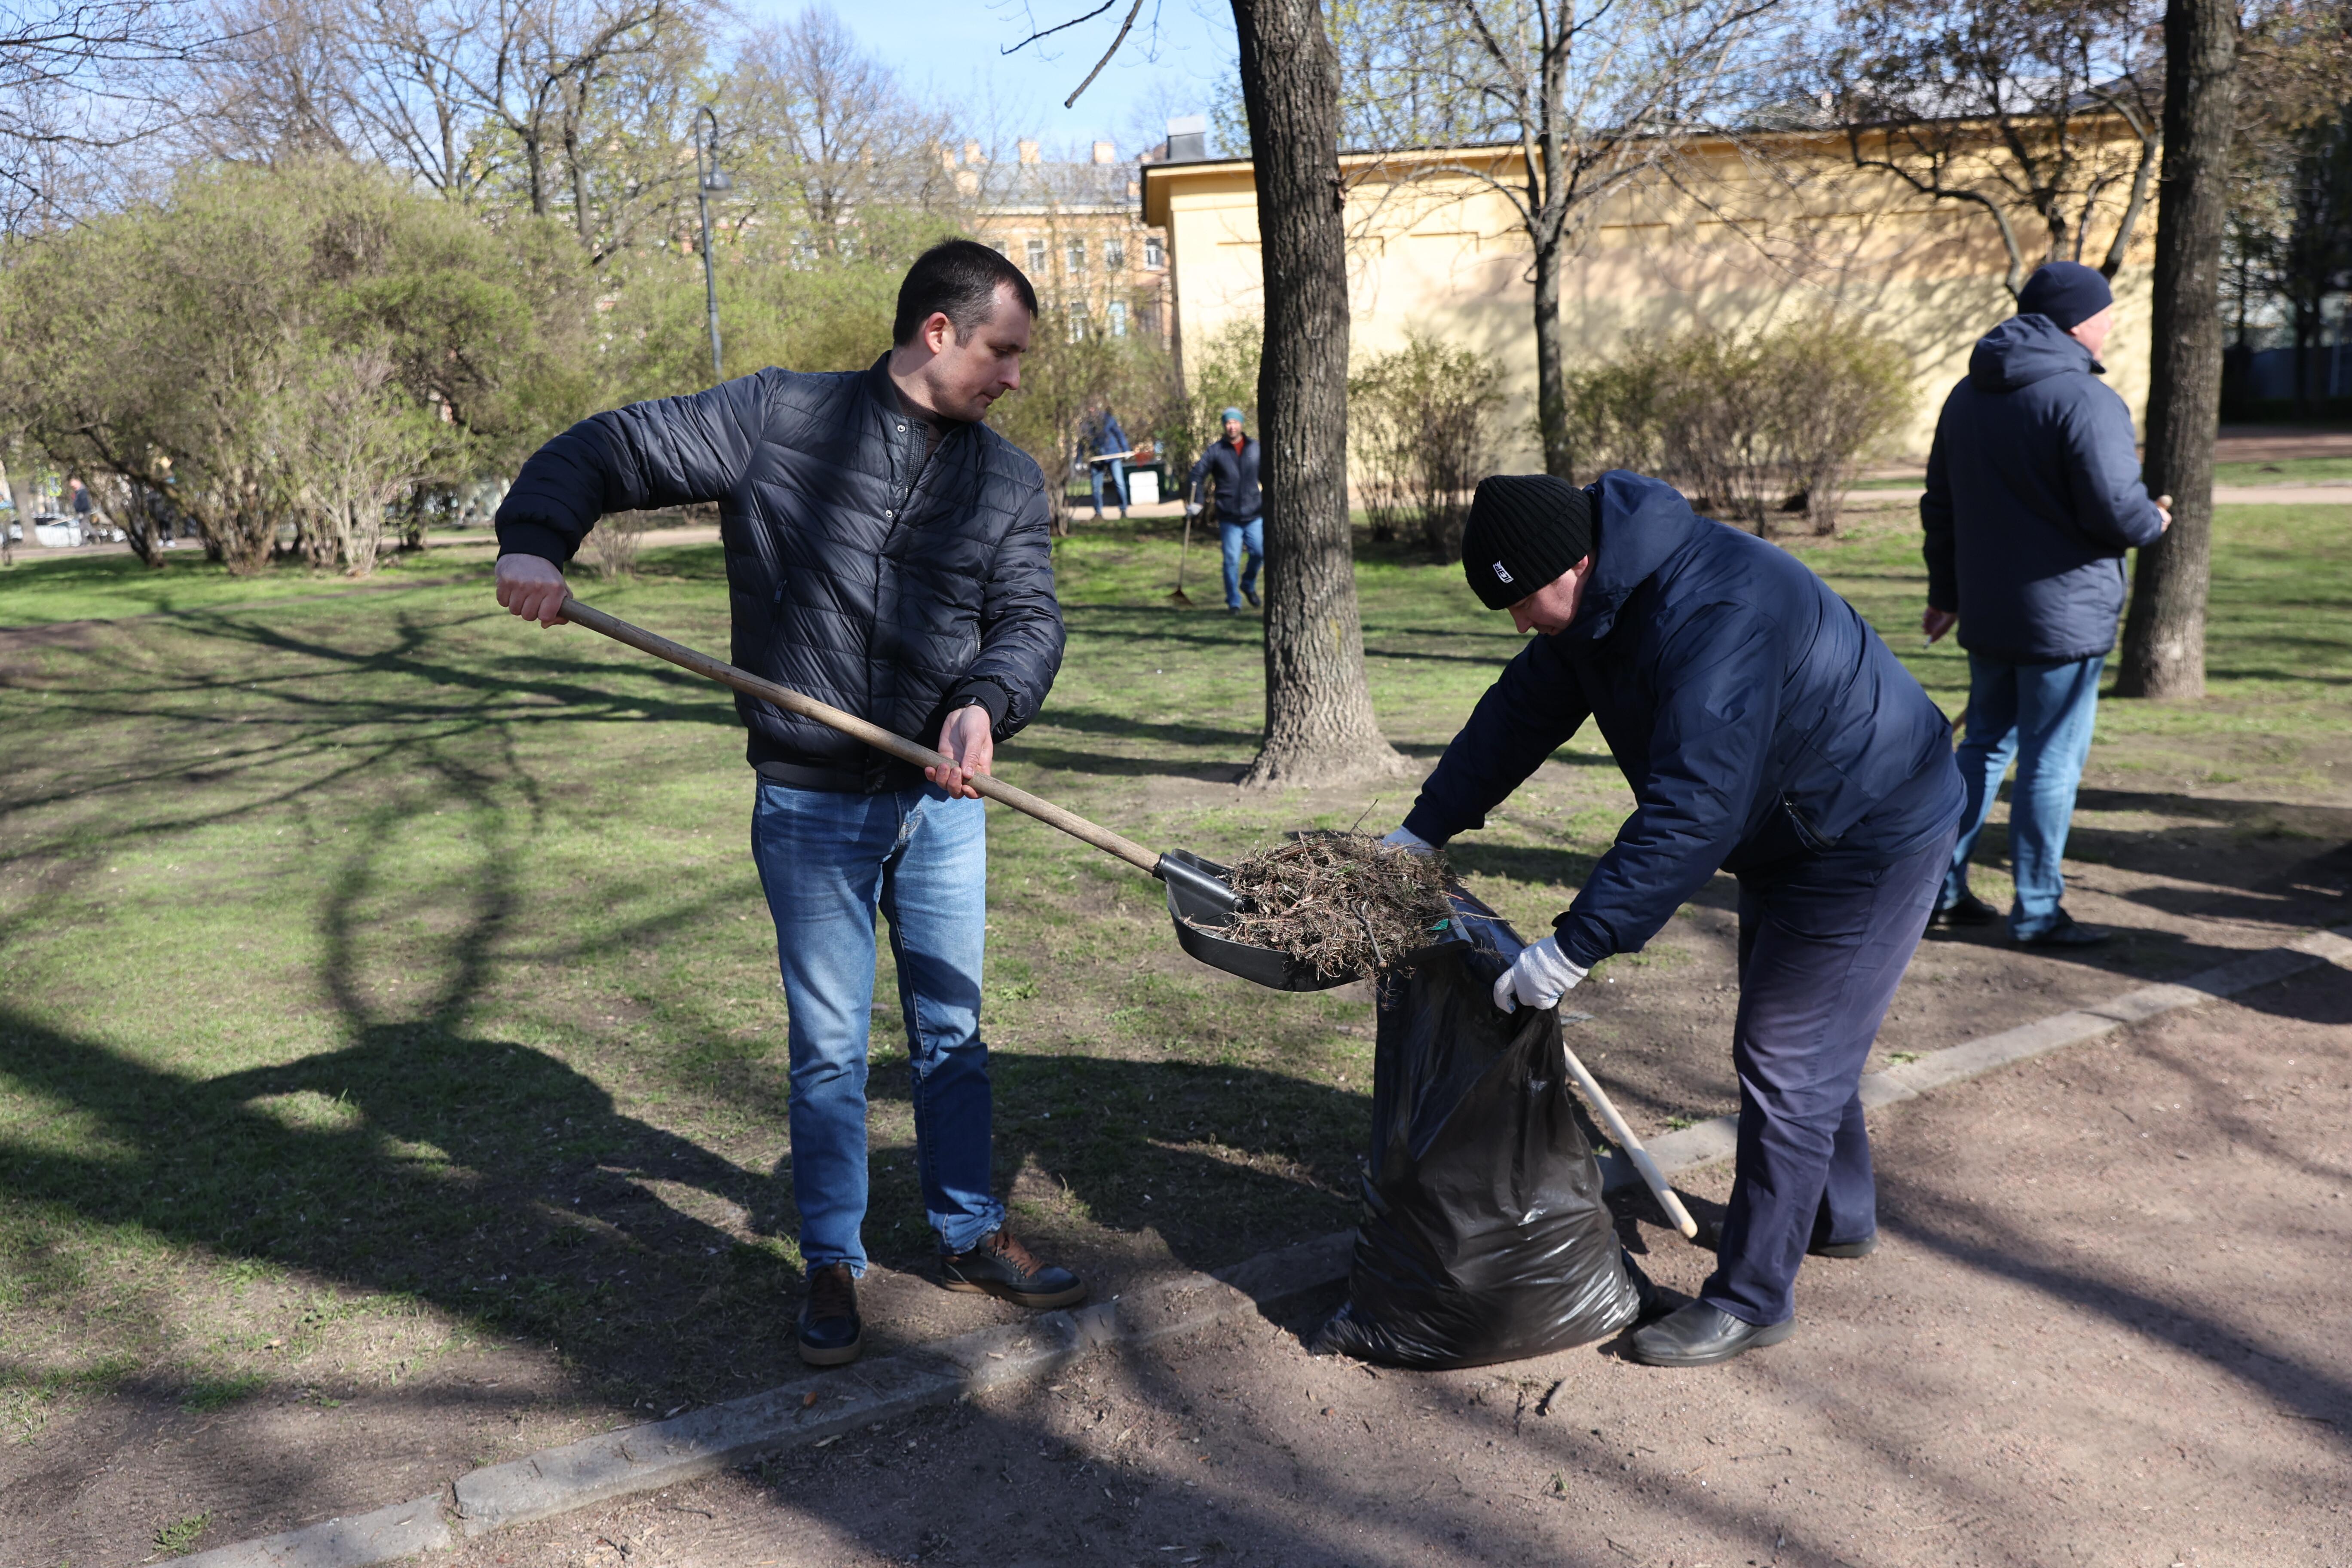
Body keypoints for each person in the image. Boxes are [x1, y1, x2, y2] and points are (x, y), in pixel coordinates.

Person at [491, 239, 1084, 1370]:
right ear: (940, 331)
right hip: (812, 807)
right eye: (1004, 352)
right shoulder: (781, 420)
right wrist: (535, 541)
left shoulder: (1004, 480)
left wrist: (988, 707)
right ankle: (831, 1260)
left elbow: (1028, 622)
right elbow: (607, 448)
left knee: (953, 1028)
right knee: (827, 1046)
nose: (1016, 378)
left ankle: (967, 1229)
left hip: (942, 798)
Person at [1383, 471, 1964, 1368]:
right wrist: (1422, 830)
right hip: (1794, 825)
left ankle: (1752, 1298)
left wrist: (1576, 945)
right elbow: (1518, 717)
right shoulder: (1602, 605)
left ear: (1573, 564)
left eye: (1522, 600)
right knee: (1806, 1037)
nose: (1520, 623)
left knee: (1788, 1054)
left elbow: (1693, 809)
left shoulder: (1717, 608)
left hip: (1869, 826)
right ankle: (1836, 1216)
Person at [1922, 260, 2171, 947]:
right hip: (2064, 618)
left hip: (1990, 611)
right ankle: (2037, 911)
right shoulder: (2087, 400)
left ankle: (1939, 892)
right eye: (2107, 312)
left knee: (1982, 750)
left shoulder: (1965, 396)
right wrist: (2153, 521)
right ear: (2078, 320)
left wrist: (1946, 594)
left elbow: (1939, 507)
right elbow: (2118, 514)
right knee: (2050, 761)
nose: (2113, 322)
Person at [1186, 407, 1263, 613]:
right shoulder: (1216, 451)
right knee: (1231, 560)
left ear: (1241, 424)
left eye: (1235, 422)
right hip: (1229, 516)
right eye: (1228, 423)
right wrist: (1198, 502)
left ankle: (1247, 584)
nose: (1232, 426)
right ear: (1224, 425)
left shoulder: (1255, 448)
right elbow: (1197, 475)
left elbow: (1267, 476)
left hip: (1254, 513)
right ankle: (1234, 602)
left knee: (1259, 553)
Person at [1086, 404, 1130, 520]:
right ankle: (1098, 513)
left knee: (1119, 483)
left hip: (1112, 455)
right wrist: (1078, 459)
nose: (1091, 410)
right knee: (1096, 487)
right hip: (1097, 458)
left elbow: (1119, 434)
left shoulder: (1108, 419)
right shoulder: (1086, 424)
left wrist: (1126, 450)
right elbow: (1082, 442)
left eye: (1093, 408)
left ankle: (1123, 510)